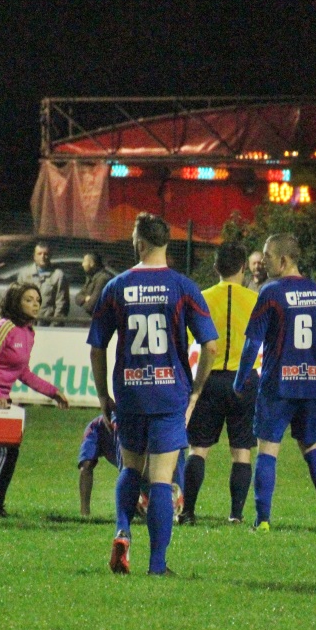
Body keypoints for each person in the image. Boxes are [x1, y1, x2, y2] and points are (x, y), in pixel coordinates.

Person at [88, 213, 218, 575]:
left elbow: (97, 347)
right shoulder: (183, 286)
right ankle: (157, 565)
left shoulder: (117, 287)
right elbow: (210, 346)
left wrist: (103, 395)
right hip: (168, 393)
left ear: (140, 243)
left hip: (130, 393)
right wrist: (196, 391)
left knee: (130, 467)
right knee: (161, 477)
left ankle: (122, 530)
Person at [235, 233, 316, 532]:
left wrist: (241, 379)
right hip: (311, 384)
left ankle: (263, 520)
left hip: (277, 386)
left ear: (283, 260)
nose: (263, 263)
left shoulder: (271, 292)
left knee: (267, 450)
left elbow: (252, 342)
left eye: (268, 257)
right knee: (312, 447)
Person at [0, 281, 69, 518]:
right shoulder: (4, 327)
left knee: (10, 451)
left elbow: (23, 373)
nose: (35, 304)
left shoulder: (28, 332)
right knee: (5, 449)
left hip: (0, 397)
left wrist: (53, 392)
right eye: (28, 300)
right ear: (15, 302)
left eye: (38, 300)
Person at [180, 242, 260, 526]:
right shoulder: (255, 300)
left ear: (215, 267)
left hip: (210, 380)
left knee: (198, 449)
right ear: (243, 267)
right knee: (242, 451)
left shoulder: (202, 298)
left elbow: (185, 340)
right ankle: (236, 515)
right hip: (245, 381)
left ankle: (188, 512)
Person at [78, 414, 121, 517]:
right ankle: (85, 512)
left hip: (119, 434)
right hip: (96, 430)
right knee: (86, 466)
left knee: (132, 471)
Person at [17, 241, 69, 325]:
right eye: (39, 254)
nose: (43, 257)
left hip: (47, 326)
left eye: (46, 254)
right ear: (34, 256)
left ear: (50, 256)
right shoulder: (25, 274)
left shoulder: (58, 276)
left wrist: (55, 326)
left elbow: (61, 304)